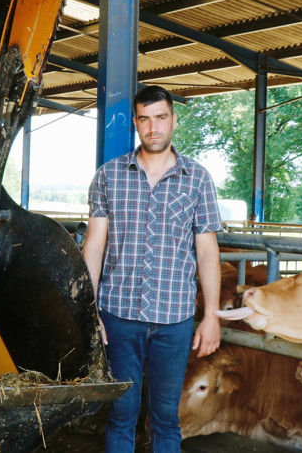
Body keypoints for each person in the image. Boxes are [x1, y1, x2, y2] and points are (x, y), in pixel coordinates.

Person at [83, 85, 222, 452]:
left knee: (165, 416)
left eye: (161, 118)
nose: (153, 127)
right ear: (136, 124)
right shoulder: (109, 175)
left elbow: (207, 251)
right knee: (121, 413)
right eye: (145, 119)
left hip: (173, 317)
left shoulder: (198, 179)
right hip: (118, 315)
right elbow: (94, 245)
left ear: (173, 120)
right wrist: (89, 310)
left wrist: (212, 316)